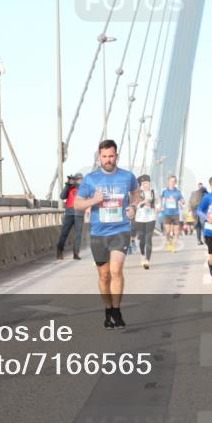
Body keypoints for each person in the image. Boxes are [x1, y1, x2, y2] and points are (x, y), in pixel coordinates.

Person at [73, 140, 140, 330]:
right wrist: (94, 200)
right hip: (98, 233)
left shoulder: (127, 176)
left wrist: (133, 206)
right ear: (99, 157)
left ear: (116, 156)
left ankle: (117, 310)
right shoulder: (91, 179)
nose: (108, 160)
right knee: (103, 276)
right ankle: (108, 310)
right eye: (104, 156)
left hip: (120, 230)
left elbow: (136, 194)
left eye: (111, 156)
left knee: (116, 271)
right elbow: (77, 204)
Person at [56, 173, 84, 260]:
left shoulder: (84, 187)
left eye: (80, 179)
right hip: (69, 213)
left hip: (79, 213)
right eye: (77, 179)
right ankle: (59, 251)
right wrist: (68, 185)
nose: (78, 180)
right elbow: (62, 196)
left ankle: (76, 253)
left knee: (78, 235)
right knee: (64, 233)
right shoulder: (70, 187)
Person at [133, 175, 157, 269]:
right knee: (142, 239)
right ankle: (142, 255)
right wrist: (143, 203)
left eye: (147, 183)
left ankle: (147, 260)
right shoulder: (138, 193)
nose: (146, 185)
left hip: (151, 218)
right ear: (141, 184)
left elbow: (158, 204)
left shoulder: (153, 192)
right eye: (144, 183)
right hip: (140, 219)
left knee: (148, 239)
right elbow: (134, 205)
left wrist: (156, 208)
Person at [160, 175, 185, 253]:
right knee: (167, 232)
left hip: (175, 213)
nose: (172, 183)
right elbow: (161, 198)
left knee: (176, 232)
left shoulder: (178, 192)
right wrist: (161, 206)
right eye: (171, 181)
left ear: (175, 182)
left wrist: (182, 202)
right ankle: (168, 242)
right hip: (167, 213)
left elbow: (182, 200)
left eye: (174, 181)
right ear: (168, 182)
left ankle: (174, 246)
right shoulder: (165, 191)